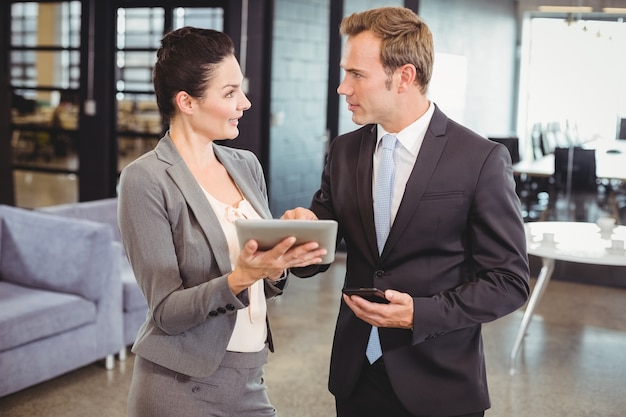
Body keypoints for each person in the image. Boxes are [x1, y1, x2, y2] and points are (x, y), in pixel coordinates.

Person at [283, 7, 530, 417]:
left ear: (404, 77)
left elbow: (509, 282)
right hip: (355, 374)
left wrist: (420, 313)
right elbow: (317, 255)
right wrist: (302, 237)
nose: (343, 88)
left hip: (440, 383)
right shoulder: (345, 151)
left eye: (356, 75)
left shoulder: (480, 159)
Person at [117, 27, 326, 417]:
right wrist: (241, 277)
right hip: (180, 386)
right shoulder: (144, 180)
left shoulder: (245, 165)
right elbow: (166, 312)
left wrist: (280, 258)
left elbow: (266, 281)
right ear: (187, 102)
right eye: (229, 93)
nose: (244, 102)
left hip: (251, 378)